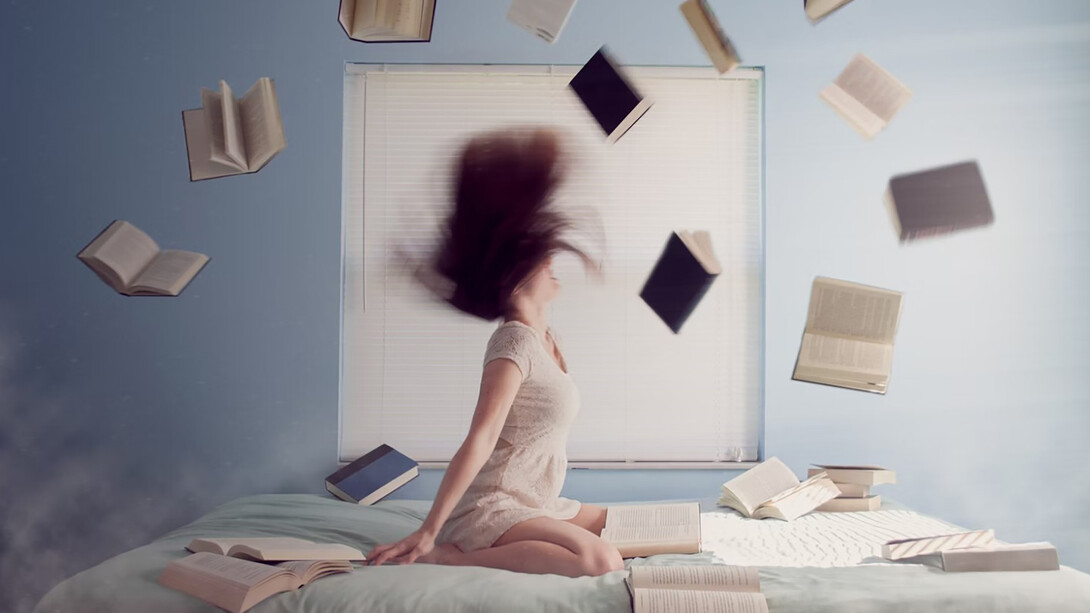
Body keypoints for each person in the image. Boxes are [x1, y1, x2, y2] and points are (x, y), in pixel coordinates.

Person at [366, 128, 622, 578]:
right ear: (518, 274)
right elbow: (480, 438)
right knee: (600, 561)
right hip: (495, 504)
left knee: (627, 527)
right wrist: (429, 531)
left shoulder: (548, 337)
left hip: (535, 501)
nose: (552, 264)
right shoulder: (514, 343)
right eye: (544, 260)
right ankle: (447, 554)